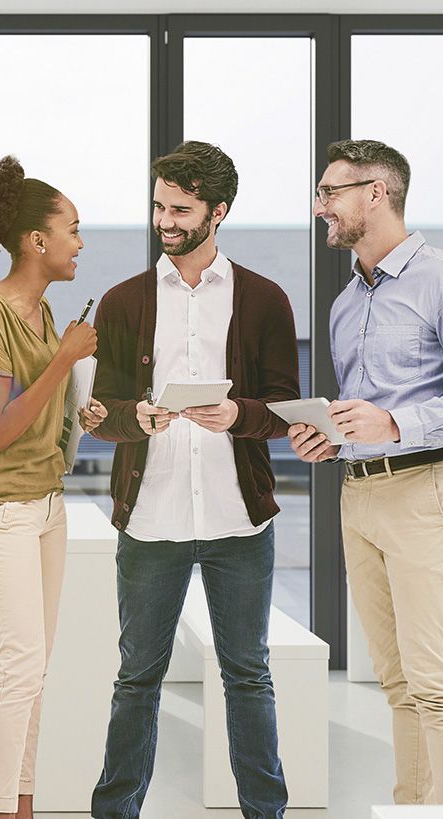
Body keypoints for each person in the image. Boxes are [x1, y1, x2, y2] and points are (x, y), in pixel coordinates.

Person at [290, 139, 443, 805]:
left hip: (427, 491)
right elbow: (362, 414)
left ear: (376, 192)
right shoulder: (344, 304)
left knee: (436, 682)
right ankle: (413, 807)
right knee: (395, 680)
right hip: (358, 494)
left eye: (330, 192)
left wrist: (396, 424)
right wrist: (329, 441)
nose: (319, 207)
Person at [89, 141, 299, 819]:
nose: (165, 219)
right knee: (136, 679)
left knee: (248, 676)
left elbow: (283, 408)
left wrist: (239, 412)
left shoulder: (264, 299)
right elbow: (100, 415)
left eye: (180, 208)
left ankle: (265, 812)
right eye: (158, 205)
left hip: (240, 525)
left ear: (218, 211)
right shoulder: (122, 302)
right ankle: (115, 812)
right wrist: (138, 417)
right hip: (150, 523)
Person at [0, 155, 107, 819]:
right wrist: (68, 360)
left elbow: (40, 410)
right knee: (19, 664)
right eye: (71, 228)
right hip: (2, 506)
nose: (79, 242)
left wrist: (80, 408)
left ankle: (23, 807)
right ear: (34, 241)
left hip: (47, 504)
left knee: (35, 671)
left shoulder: (49, 320)